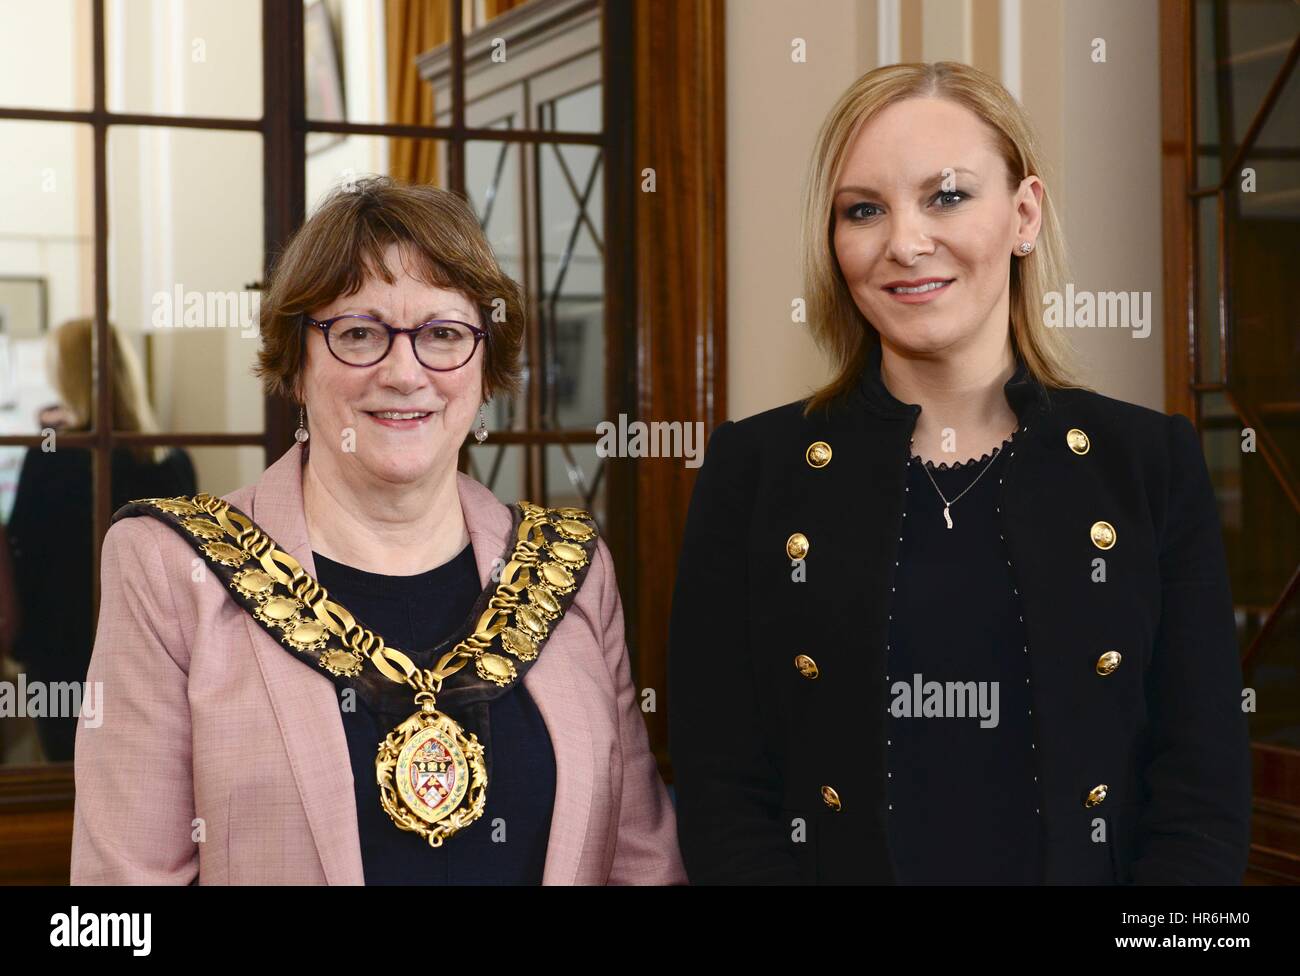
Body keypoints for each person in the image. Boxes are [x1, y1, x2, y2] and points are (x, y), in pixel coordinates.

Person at [668, 61, 1250, 884]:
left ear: (1023, 215)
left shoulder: (1150, 465)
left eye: (946, 196)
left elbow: (1202, 798)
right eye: (863, 209)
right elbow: (723, 787)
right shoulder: (753, 471)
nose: (904, 242)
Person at [72, 177, 685, 885]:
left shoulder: (569, 566)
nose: (404, 372)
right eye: (359, 332)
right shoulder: (170, 566)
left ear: (485, 369)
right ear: (297, 363)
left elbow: (641, 864)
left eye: (444, 334)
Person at [7, 318, 194, 762]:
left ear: (66, 374)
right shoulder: (173, 459)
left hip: (63, 648)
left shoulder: (49, 458)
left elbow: (23, 553)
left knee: (69, 777)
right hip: (156, 649)